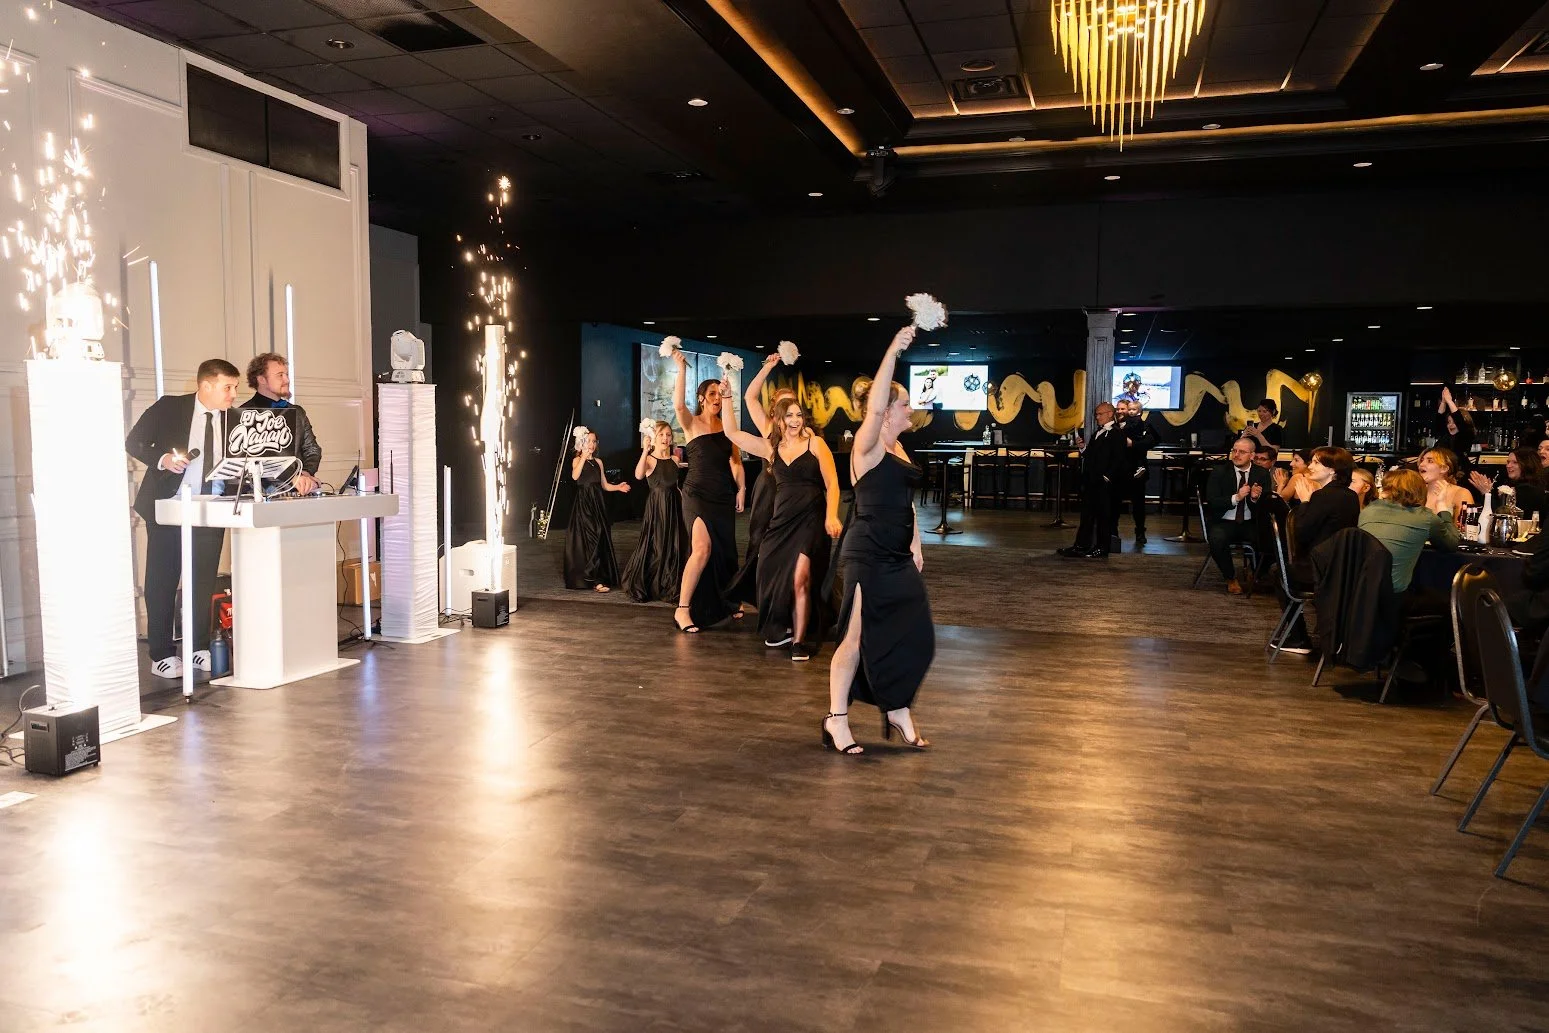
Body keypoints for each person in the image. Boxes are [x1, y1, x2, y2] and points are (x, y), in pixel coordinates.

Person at [825, 325, 932, 755]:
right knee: (853, 637)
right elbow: (873, 410)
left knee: (916, 630)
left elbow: (905, 503)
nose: (911, 409)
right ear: (887, 409)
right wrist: (892, 351)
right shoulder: (866, 447)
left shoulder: (901, 449)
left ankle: (896, 706)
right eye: (904, 403)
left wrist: (917, 541)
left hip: (896, 553)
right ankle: (837, 719)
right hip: (866, 553)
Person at [124, 358, 241, 679]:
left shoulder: (237, 420)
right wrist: (161, 458)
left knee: (202, 580)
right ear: (206, 385)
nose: (233, 394)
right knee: (162, 581)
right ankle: (160, 653)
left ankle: (198, 648)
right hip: (167, 506)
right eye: (227, 387)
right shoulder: (170, 408)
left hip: (212, 508)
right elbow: (133, 442)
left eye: (235, 387)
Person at [722, 381, 842, 661]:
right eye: (790, 415)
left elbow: (833, 483)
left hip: (811, 519)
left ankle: (799, 641)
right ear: (778, 420)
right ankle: (780, 626)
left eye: (799, 415)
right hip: (781, 522)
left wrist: (832, 514)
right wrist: (728, 397)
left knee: (800, 577)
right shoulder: (771, 449)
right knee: (766, 571)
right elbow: (731, 432)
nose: (796, 420)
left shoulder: (816, 443)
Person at [671, 350, 745, 632]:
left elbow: (736, 462)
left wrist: (741, 489)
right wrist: (681, 369)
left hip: (723, 496)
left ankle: (728, 600)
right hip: (696, 494)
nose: (716, 398)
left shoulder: (728, 428)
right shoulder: (692, 423)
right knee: (702, 549)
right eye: (711, 393)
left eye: (719, 393)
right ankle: (683, 609)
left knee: (725, 552)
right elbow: (678, 406)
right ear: (702, 398)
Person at [726, 355, 796, 608]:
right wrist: (768, 367)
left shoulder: (806, 435)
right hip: (768, 491)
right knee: (758, 541)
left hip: (793, 498)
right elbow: (749, 398)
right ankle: (751, 591)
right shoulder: (768, 431)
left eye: (791, 404)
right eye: (781, 403)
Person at [1358, 467, 1460, 612]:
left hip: (1359, 591)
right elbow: (1451, 544)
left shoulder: (1369, 510)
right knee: (1447, 600)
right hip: (1393, 595)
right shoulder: (1425, 517)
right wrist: (1442, 506)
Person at [620, 421, 686, 603]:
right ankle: (654, 582)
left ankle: (670, 580)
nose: (666, 438)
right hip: (657, 506)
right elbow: (638, 475)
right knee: (657, 543)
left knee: (674, 543)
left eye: (668, 435)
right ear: (655, 438)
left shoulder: (674, 460)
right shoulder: (649, 459)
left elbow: (676, 486)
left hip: (674, 505)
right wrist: (645, 450)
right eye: (662, 435)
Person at [240, 352, 321, 495]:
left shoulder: (297, 412)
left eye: (286, 374)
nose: (287, 379)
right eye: (280, 375)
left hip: (297, 493)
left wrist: (306, 474)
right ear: (262, 379)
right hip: (259, 495)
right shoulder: (243, 414)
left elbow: (312, 449)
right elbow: (254, 461)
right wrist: (292, 478)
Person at [1204, 436, 1275, 594]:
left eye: (1242, 452)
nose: (1236, 455)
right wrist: (1237, 497)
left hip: (1250, 522)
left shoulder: (1262, 474)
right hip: (1223, 521)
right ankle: (1230, 577)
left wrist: (1255, 499)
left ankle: (1256, 572)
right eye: (1234, 451)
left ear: (1251, 456)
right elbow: (1212, 501)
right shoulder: (1219, 472)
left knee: (1274, 540)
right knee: (1217, 538)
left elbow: (1267, 507)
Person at [1057, 401, 1128, 558]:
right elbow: (1091, 456)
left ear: (1110, 414)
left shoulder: (1117, 433)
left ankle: (1103, 547)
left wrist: (1107, 477)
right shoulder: (1098, 433)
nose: (1097, 417)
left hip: (1104, 482)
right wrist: (1082, 447)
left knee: (1104, 516)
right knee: (1087, 515)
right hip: (1092, 480)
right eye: (1096, 414)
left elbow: (1119, 459)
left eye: (1100, 414)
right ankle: (1081, 546)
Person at [563, 429, 629, 592]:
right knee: (593, 536)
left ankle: (597, 578)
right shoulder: (577, 460)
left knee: (600, 537)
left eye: (594, 441)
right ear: (582, 443)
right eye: (588, 441)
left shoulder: (599, 462)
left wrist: (618, 487)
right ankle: (592, 578)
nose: (591, 444)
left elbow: (604, 485)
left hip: (597, 504)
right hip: (584, 505)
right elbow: (575, 477)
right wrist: (583, 457)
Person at [1288, 447, 1361, 589]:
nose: (1310, 467)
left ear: (1332, 470)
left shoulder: (1322, 495)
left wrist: (1304, 502)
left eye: (1316, 463)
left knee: (1278, 571)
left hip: (1319, 567)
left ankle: (1299, 611)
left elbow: (1300, 534)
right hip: (1343, 566)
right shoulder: (1351, 495)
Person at [1116, 397, 1158, 546]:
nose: (1120, 411)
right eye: (1118, 409)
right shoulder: (1115, 426)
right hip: (1118, 470)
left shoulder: (1142, 425)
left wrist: (1133, 444)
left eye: (1123, 409)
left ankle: (1140, 532)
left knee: (1138, 504)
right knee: (1115, 503)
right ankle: (1112, 533)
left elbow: (1151, 441)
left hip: (1136, 471)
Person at [1468, 446, 1548, 518]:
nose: (1508, 466)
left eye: (1515, 462)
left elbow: (1503, 517)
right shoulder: (1518, 486)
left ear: (1528, 465)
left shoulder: (1529, 489)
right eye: (1508, 462)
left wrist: (1486, 493)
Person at [1435, 386, 1477, 488]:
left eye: (1454, 423)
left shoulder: (1466, 434)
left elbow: (1460, 422)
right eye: (1449, 422)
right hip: (1442, 472)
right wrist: (1444, 402)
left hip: (1459, 475)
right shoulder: (1446, 435)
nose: (1451, 425)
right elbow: (1438, 420)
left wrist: (1450, 401)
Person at [1418, 447, 1472, 523]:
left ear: (1444, 468)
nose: (1421, 464)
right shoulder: (1416, 491)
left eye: (1430, 461)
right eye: (1422, 460)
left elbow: (1464, 529)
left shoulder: (1461, 493)